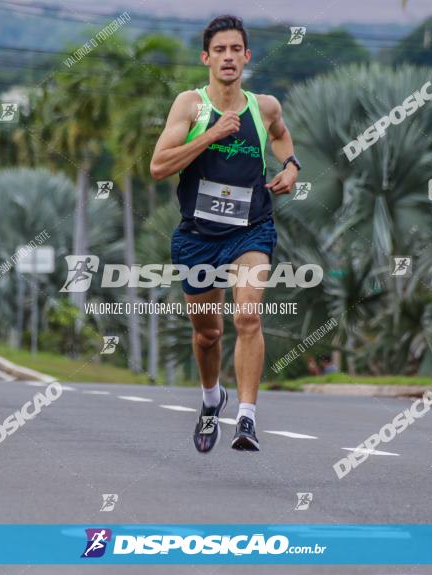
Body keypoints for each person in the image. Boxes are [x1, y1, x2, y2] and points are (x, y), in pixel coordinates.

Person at [150, 15, 299, 452]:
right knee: (208, 333)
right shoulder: (189, 106)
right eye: (220, 50)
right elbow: (159, 166)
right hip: (197, 235)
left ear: (247, 56)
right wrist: (211, 134)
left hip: (250, 230)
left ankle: (247, 419)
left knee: (248, 316)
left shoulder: (264, 105)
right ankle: (212, 398)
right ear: (206, 58)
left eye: (236, 49)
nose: (229, 57)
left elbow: (282, 137)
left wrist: (291, 167)